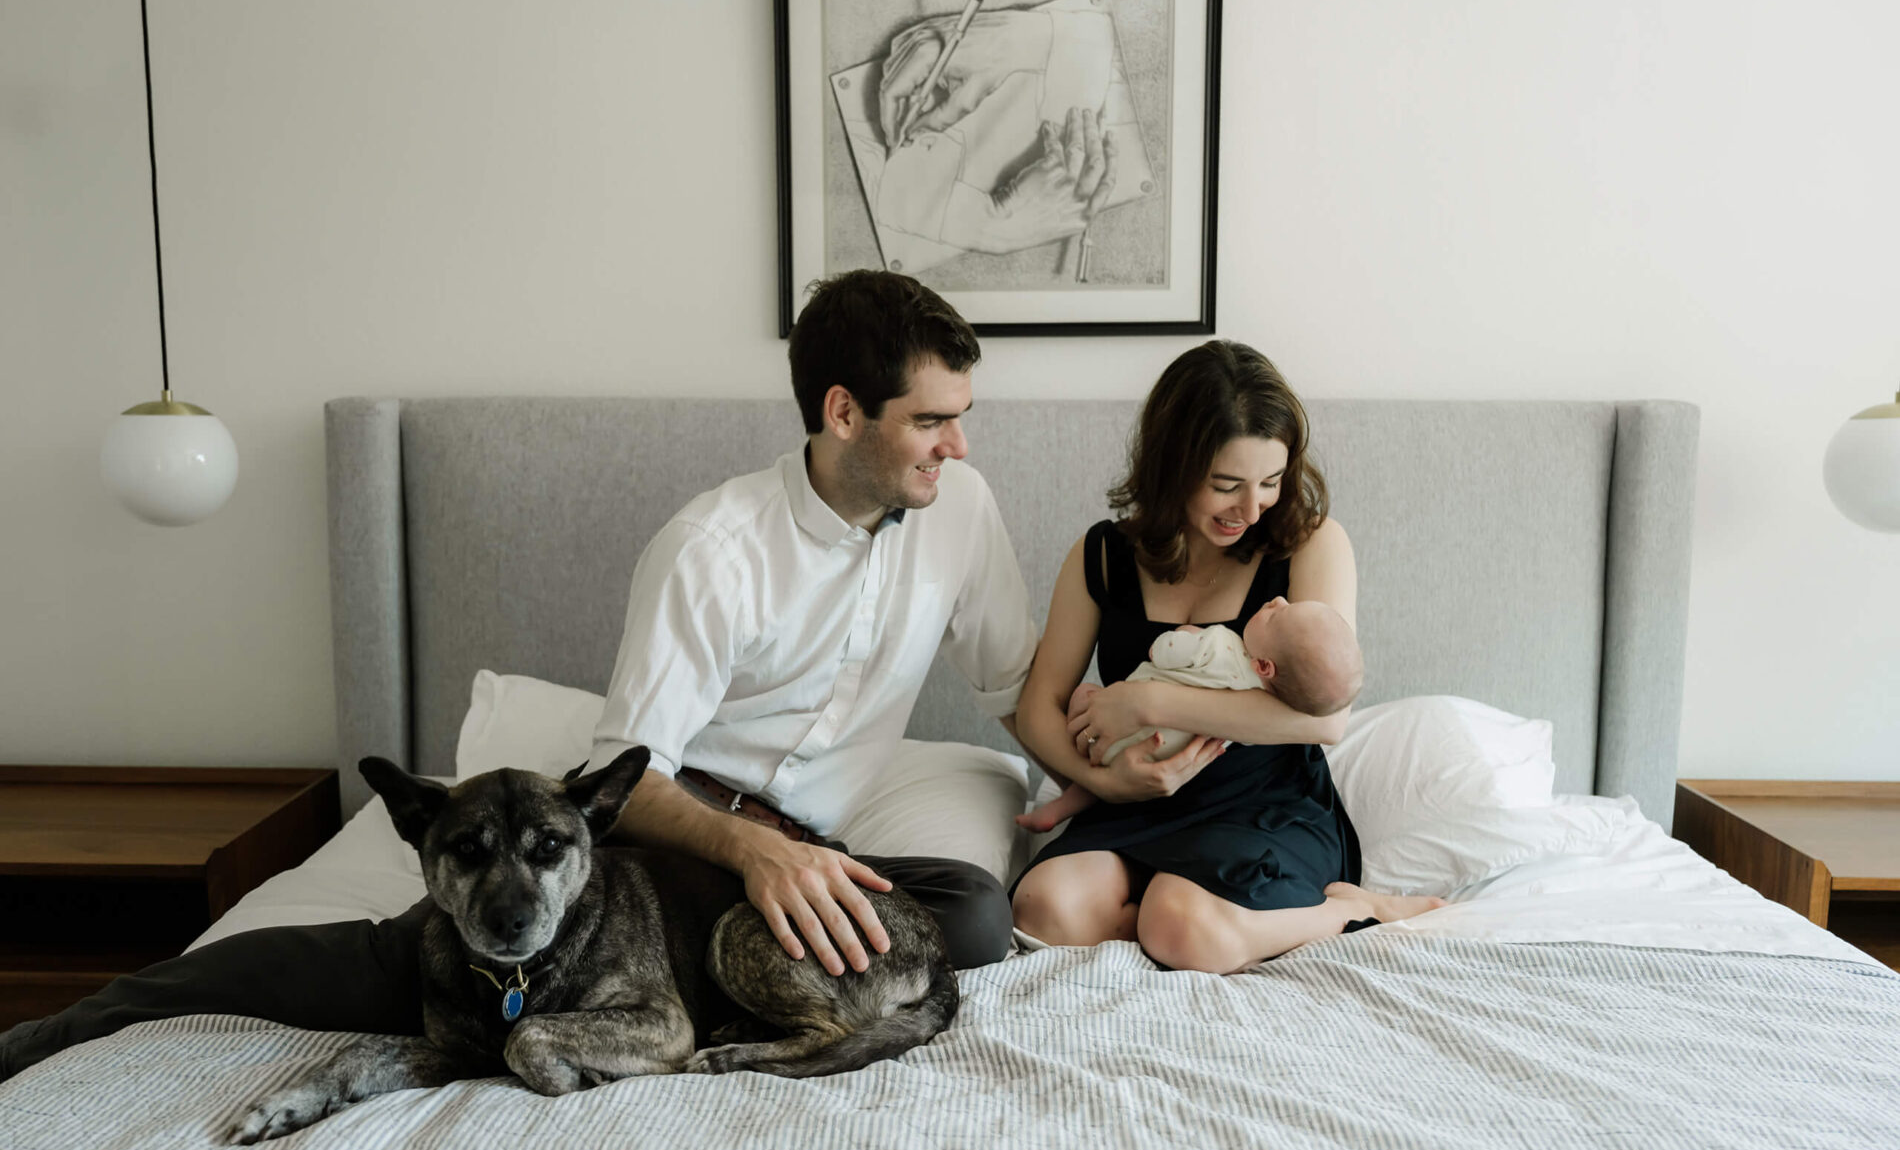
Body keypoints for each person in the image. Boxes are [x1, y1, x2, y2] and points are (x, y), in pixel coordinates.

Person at [0, 270, 1039, 1081]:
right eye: (932, 420)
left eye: (961, 417)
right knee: (394, 963)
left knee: (978, 915)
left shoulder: (961, 508)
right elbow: (630, 776)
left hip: (812, 847)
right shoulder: (713, 547)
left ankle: (695, 994)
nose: (955, 444)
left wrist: (1122, 754)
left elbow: (1013, 687)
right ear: (845, 411)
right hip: (668, 839)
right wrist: (753, 853)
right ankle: (78, 1020)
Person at [1010, 341, 1446, 974]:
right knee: (1045, 907)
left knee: (1178, 918)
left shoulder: (1310, 544)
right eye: (1225, 486)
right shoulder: (1101, 555)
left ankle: (1355, 912)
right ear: (1172, 466)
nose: (1250, 510)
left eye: (1269, 483)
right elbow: (1037, 710)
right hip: (1134, 799)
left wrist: (1152, 699)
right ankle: (1185, 925)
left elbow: (1325, 720)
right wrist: (1108, 782)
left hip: (1262, 805)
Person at [1016, 598, 1362, 833]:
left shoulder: (1219, 645)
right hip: (1164, 759)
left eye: (1276, 615)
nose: (1278, 600)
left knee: (1086, 694)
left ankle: (1063, 805)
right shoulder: (1255, 718)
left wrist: (1185, 634)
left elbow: (1162, 651)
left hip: (1112, 736)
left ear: (1264, 665)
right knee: (1107, 771)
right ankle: (1067, 805)